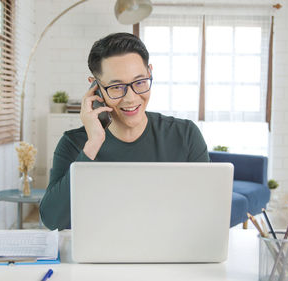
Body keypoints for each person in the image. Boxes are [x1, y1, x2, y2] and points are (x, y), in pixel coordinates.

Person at [40, 32, 210, 231]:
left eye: (140, 82)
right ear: (96, 87)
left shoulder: (186, 135)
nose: (130, 98)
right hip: (99, 257)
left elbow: (207, 211)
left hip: (171, 253)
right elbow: (52, 220)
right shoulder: (75, 144)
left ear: (150, 73)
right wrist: (93, 144)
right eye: (116, 87)